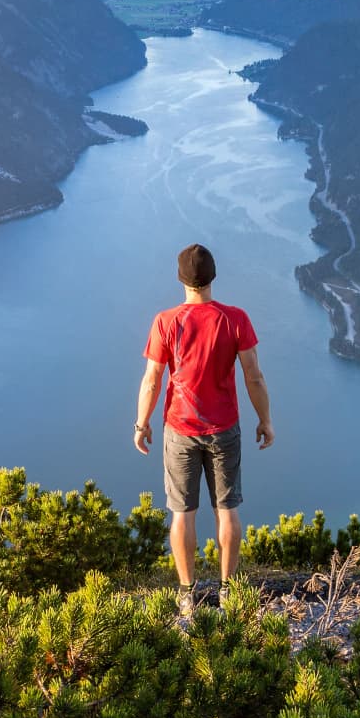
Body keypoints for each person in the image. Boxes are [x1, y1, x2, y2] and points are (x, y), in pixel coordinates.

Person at [135, 243, 274, 612]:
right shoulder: (235, 319)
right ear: (213, 276)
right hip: (224, 428)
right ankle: (228, 589)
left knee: (182, 513)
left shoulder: (165, 322)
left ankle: (187, 593)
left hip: (179, 429)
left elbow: (152, 380)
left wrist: (141, 423)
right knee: (227, 510)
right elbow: (254, 376)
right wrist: (266, 420)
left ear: (181, 279)